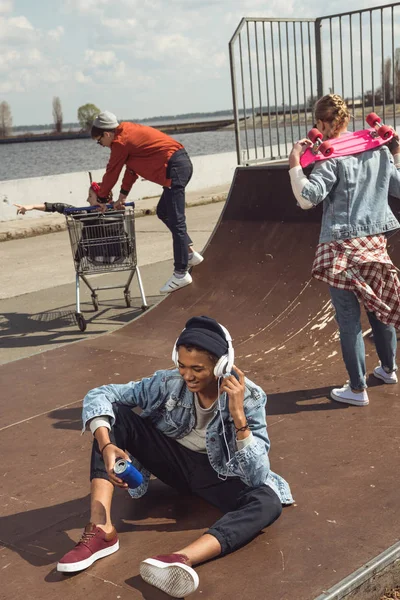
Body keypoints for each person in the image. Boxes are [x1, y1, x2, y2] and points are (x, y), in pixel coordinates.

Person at [56, 315, 293, 598]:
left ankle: (180, 559)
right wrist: (107, 445)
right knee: (113, 417)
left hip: (218, 476)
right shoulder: (168, 382)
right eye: (181, 365)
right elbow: (100, 394)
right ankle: (101, 530)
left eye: (197, 368)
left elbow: (256, 476)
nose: (188, 375)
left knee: (267, 500)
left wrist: (239, 416)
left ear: (221, 365)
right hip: (175, 463)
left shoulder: (250, 397)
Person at [289, 93, 400, 407]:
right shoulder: (377, 148)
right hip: (375, 242)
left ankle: (356, 388)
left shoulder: (330, 155)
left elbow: (308, 198)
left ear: (322, 123)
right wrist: (395, 155)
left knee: (349, 320)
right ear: (347, 119)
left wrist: (295, 164)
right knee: (379, 310)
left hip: (341, 247)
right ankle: (389, 369)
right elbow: (398, 187)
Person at [90, 111, 204, 294]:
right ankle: (189, 252)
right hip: (177, 166)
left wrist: (102, 198)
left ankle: (181, 272)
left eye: (99, 141)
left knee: (177, 221)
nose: (101, 145)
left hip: (174, 168)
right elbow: (131, 171)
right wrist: (123, 195)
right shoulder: (127, 133)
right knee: (164, 212)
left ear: (107, 133)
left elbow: (112, 171)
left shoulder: (120, 142)